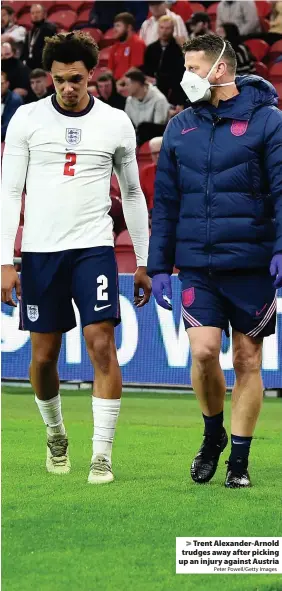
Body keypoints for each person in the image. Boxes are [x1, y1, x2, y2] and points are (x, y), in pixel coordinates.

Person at [1, 31, 151, 485]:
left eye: (78, 80)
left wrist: (141, 259)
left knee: (100, 343)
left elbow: (132, 192)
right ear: (50, 77)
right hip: (41, 252)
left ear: (93, 78)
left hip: (94, 248)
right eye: (61, 79)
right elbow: (9, 192)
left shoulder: (114, 123)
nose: (69, 87)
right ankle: (56, 435)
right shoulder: (26, 119)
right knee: (44, 357)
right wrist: (5, 260)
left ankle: (101, 455)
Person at [147, 34, 282, 489]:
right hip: (198, 266)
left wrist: (281, 247)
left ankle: (239, 462)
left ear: (220, 69)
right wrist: (159, 266)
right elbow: (164, 203)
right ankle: (212, 437)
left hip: (251, 263)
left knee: (248, 360)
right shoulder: (180, 127)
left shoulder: (269, 122)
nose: (186, 76)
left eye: (193, 67)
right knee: (204, 352)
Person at [143, 15, 186, 106]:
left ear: (173, 30)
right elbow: (146, 70)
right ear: (158, 29)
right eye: (162, 28)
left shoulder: (178, 49)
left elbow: (179, 74)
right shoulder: (151, 48)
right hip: (152, 88)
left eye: (167, 28)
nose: (164, 32)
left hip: (173, 89)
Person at [125, 68, 169, 144]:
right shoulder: (129, 100)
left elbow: (158, 129)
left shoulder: (159, 99)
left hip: (156, 141)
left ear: (137, 84)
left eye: (128, 84)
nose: (126, 87)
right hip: (137, 138)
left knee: (144, 128)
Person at [108, 12, 146, 81]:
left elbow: (134, 70)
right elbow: (110, 70)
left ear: (129, 27)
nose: (114, 30)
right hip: (116, 85)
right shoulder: (115, 46)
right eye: (114, 26)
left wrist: (117, 85)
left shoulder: (137, 43)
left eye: (118, 26)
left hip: (130, 84)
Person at [22, 3, 57, 71]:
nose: (35, 15)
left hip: (43, 66)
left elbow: (49, 50)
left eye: (38, 12)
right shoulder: (30, 32)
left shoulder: (50, 28)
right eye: (32, 13)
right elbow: (25, 51)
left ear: (44, 14)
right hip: (30, 67)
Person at [139, 136, 163, 213]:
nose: (158, 156)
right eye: (154, 153)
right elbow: (140, 200)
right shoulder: (146, 172)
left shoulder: (180, 170)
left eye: (160, 152)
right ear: (151, 155)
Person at [1, 71, 23, 141]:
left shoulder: (15, 100)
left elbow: (10, 126)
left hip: (9, 140)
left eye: (1, 84)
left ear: (7, 84)